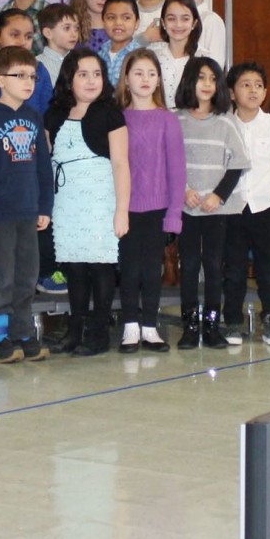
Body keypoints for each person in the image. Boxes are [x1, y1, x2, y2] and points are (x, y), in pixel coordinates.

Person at [47, 50, 128, 357]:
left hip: (100, 200)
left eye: (97, 74)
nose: (91, 80)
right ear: (69, 79)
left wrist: (121, 210)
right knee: (74, 265)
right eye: (83, 74)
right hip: (66, 201)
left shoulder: (110, 113)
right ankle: (75, 328)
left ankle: (98, 332)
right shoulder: (54, 114)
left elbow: (121, 164)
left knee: (100, 264)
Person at [0, 45, 53, 363]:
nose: (28, 82)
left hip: (28, 211)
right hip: (0, 212)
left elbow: (42, 167)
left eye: (32, 77)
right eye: (19, 75)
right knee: (0, 277)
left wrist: (45, 207)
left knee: (27, 275)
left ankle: (22, 331)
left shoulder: (33, 117)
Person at [176, 59, 248, 349]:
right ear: (189, 82)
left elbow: (238, 164)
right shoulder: (177, 119)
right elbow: (169, 161)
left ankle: (211, 324)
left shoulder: (227, 120)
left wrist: (218, 195)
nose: (206, 84)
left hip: (216, 208)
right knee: (190, 265)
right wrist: (183, 190)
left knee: (214, 266)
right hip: (187, 207)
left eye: (212, 79)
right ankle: (190, 325)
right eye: (200, 78)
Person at [116, 52, 183, 354]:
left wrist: (174, 215)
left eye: (151, 74)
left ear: (158, 80)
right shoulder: (118, 117)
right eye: (138, 73)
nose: (145, 79)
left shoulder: (168, 119)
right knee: (129, 267)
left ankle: (150, 326)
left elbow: (177, 169)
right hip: (126, 207)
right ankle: (130, 325)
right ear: (126, 79)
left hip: (157, 209)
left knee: (152, 268)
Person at [222, 62, 270, 349]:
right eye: (245, 84)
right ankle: (233, 322)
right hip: (234, 207)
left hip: (264, 206)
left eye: (258, 85)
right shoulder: (224, 123)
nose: (253, 90)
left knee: (267, 268)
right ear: (232, 93)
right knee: (234, 268)